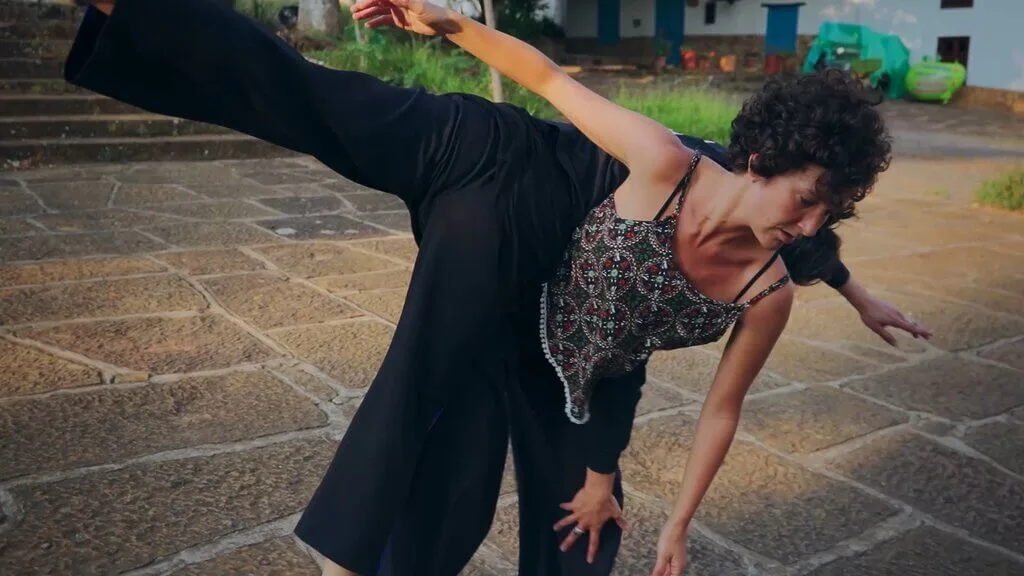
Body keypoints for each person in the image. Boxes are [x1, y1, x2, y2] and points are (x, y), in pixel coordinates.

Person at [64, 1, 931, 575]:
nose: (814, 223)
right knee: (310, 95)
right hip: (490, 160)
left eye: (831, 211)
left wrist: (855, 290)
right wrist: (442, 21)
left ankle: (382, 546)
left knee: (572, 506)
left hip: (552, 313)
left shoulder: (772, 254)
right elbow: (550, 81)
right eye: (810, 201)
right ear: (759, 160)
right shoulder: (676, 162)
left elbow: (783, 254)